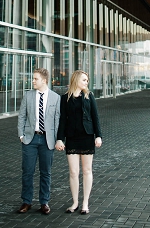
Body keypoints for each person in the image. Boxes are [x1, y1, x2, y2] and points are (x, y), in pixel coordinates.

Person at [55, 70, 103, 215]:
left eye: (87, 80)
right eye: (84, 80)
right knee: (73, 172)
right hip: (72, 138)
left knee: (87, 170)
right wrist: (59, 138)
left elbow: (95, 117)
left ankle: (85, 203)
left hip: (87, 136)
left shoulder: (89, 96)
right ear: (76, 80)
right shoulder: (65, 98)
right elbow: (62, 119)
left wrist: (98, 136)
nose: (86, 82)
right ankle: (75, 202)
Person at [17, 67, 61, 214]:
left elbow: (57, 121)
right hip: (30, 138)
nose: (33, 81)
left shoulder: (55, 97)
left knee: (46, 172)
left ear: (44, 80)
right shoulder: (28, 96)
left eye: (35, 79)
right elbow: (22, 116)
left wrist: (58, 139)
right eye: (33, 78)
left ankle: (44, 202)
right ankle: (26, 201)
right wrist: (21, 135)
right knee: (27, 172)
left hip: (47, 140)